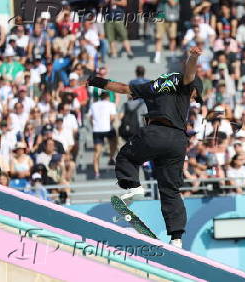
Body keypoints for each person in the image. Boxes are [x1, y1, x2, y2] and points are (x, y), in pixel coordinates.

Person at [86, 46, 204, 248]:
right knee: (170, 189)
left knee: (126, 156)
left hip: (155, 133)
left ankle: (134, 186)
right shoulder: (184, 82)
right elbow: (190, 72)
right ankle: (176, 237)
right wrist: (193, 57)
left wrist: (95, 81)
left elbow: (123, 89)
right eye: (195, 96)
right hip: (177, 140)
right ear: (193, 88)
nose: (193, 99)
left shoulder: (153, 86)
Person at [88, 91, 118, 178]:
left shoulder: (93, 105)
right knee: (114, 142)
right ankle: (111, 158)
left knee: (97, 152)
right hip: (108, 128)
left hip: (97, 130)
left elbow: (90, 117)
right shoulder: (111, 104)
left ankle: (96, 172)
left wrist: (94, 124)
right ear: (108, 97)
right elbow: (112, 117)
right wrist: (107, 123)